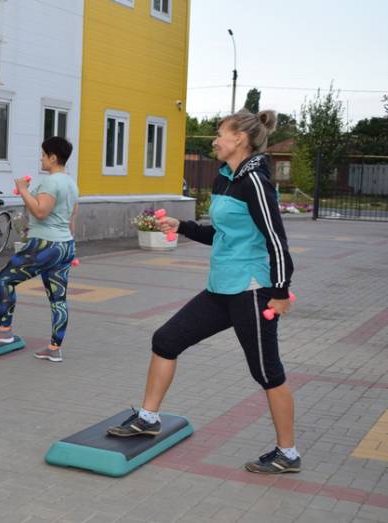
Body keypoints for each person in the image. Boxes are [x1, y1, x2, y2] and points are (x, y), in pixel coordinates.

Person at [107, 109, 300, 475]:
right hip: (221, 289)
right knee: (166, 339)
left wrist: (281, 291)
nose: (215, 139)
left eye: (220, 133)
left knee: (267, 373)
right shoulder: (225, 179)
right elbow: (221, 233)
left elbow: (276, 239)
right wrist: (183, 226)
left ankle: (288, 454)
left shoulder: (255, 181)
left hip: (252, 291)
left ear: (240, 139)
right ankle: (148, 418)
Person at [0, 136, 79, 363]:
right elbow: (72, 216)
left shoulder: (52, 182)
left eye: (43, 155)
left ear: (53, 158)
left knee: (6, 278)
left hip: (45, 244)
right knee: (58, 298)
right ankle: (54, 348)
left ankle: (4, 331)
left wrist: (23, 190)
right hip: (64, 245)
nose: (41, 159)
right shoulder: (72, 183)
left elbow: (41, 212)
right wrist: (72, 249)